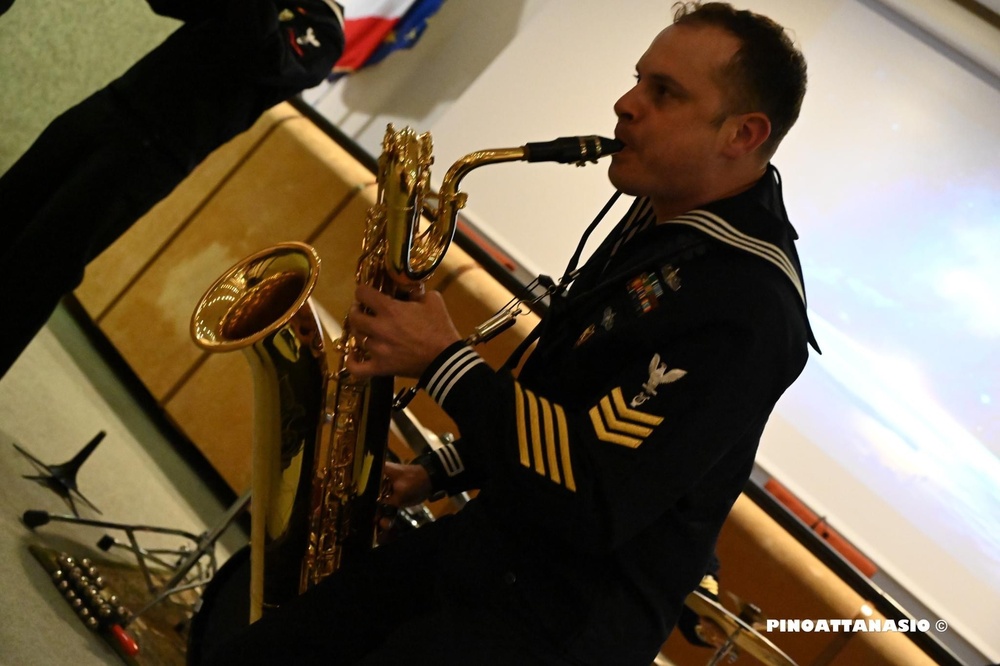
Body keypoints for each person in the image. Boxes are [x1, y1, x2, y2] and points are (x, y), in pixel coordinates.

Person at [204, 2, 818, 664]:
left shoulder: (748, 305)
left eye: (663, 93)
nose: (625, 104)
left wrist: (444, 361)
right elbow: (569, 394)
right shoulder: (664, 221)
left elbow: (594, 484)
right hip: (500, 550)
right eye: (638, 80)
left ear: (742, 133)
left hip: (561, 620)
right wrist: (440, 470)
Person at [0, 0, 345, 378]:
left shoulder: (324, 31)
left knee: (45, 262)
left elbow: (255, 51)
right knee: (11, 204)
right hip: (112, 105)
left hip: (154, 153)